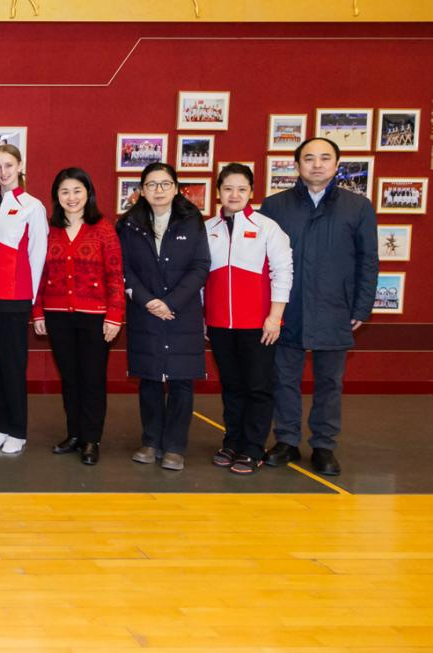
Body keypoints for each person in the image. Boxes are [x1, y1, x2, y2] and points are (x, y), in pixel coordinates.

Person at [259, 138, 378, 476]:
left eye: (325, 158)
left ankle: (324, 445)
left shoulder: (357, 207)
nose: (317, 164)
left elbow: (368, 260)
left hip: (334, 306)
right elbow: (260, 261)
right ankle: (286, 440)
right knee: (284, 378)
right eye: (309, 158)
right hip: (287, 306)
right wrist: (267, 309)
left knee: (329, 381)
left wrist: (361, 306)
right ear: (297, 165)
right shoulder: (275, 206)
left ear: (336, 165)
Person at [117, 162, 210, 471]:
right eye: (151, 185)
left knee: (181, 381)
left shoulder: (192, 221)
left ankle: (175, 446)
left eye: (165, 184)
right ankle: (150, 441)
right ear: (142, 191)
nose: (158, 190)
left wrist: (171, 303)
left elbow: (200, 266)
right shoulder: (128, 225)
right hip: (145, 313)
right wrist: (149, 302)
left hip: (182, 314)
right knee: (150, 380)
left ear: (176, 188)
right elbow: (124, 269)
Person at [31, 168, 125, 466]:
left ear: (88, 194)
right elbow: (39, 273)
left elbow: (115, 275)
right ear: (56, 197)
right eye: (64, 192)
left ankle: (91, 439)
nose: (71, 198)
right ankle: (74, 434)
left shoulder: (103, 229)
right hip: (57, 316)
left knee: (92, 379)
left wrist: (115, 315)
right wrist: (37, 311)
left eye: (77, 191)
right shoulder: (50, 230)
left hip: (95, 318)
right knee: (70, 378)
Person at [205, 164, 293, 475]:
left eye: (241, 189)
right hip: (219, 324)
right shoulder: (208, 227)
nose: (234, 194)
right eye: (228, 188)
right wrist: (204, 316)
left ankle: (253, 447)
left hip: (258, 324)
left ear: (251, 192)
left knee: (257, 386)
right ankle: (232, 442)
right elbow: (201, 277)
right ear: (219, 191)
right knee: (231, 386)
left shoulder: (268, 227)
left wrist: (275, 317)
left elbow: (283, 272)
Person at [0, 144, 48, 455]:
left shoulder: (32, 206)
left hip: (15, 301)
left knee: (13, 368)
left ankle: (18, 430)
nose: (3, 172)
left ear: (20, 166)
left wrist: (30, 303)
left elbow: (38, 256)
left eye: (8, 165)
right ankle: (2, 427)